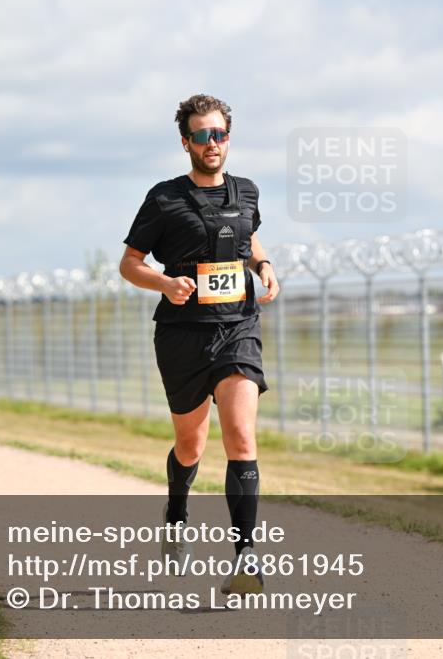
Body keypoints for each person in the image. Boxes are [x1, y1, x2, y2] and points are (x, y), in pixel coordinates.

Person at [119, 94, 279, 595]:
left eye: (221, 134)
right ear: (186, 141)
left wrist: (264, 267)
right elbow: (130, 263)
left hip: (238, 328)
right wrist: (165, 284)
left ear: (229, 137)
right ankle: (177, 512)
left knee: (241, 437)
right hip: (183, 335)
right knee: (191, 445)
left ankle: (246, 559)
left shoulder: (247, 191)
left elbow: (248, 237)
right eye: (203, 135)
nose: (213, 144)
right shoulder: (164, 198)